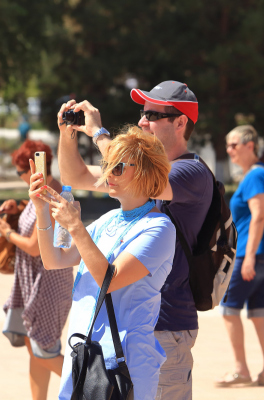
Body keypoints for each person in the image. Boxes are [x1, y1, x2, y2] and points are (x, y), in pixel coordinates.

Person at [55, 81, 214, 399]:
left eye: (153, 114)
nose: (143, 121)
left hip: (166, 328)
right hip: (126, 327)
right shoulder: (130, 174)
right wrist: (67, 134)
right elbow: (76, 177)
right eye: (142, 113)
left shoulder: (190, 173)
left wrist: (100, 134)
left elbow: (143, 178)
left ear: (181, 122)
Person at [30, 125, 176, 400]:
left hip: (123, 364)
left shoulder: (159, 227)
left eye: (118, 167)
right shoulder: (109, 219)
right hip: (84, 353)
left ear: (144, 171)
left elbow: (109, 279)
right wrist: (41, 212)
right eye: (106, 165)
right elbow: (54, 260)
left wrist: (75, 226)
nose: (108, 173)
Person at [0, 140, 73, 400]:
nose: (21, 177)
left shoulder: (53, 195)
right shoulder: (42, 191)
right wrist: (19, 206)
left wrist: (7, 232)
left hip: (48, 282)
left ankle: (94, 385)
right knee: (34, 347)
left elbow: (33, 247)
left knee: (44, 349)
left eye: (21, 172)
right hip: (36, 281)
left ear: (33, 168)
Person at [216, 125, 264, 387]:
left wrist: (250, 257)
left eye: (234, 145)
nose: (229, 150)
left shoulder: (255, 176)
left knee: (229, 310)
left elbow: (260, 215)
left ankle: (241, 369)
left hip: (252, 254)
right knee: (258, 312)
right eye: (228, 145)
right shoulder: (261, 174)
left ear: (250, 145)